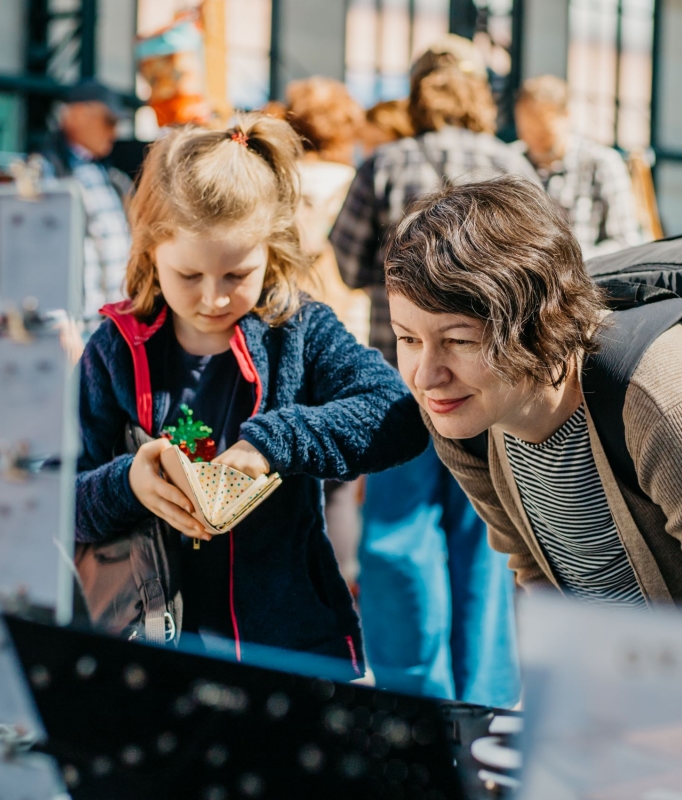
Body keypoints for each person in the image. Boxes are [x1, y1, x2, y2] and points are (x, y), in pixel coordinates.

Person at [75, 114, 428, 673]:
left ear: (273, 252)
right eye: (188, 276)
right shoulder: (114, 350)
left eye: (237, 275)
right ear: (149, 253)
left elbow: (397, 414)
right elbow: (58, 501)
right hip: (147, 648)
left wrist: (274, 443)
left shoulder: (301, 330)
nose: (213, 298)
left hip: (289, 647)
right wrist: (129, 484)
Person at [385, 175, 682, 612]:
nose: (426, 377)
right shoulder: (456, 414)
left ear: (537, 322)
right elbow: (532, 569)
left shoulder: (667, 407)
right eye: (407, 339)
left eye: (459, 341)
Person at [331, 35, 535, 707]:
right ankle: (485, 705)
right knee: (486, 543)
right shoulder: (512, 168)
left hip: (406, 380)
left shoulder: (386, 163)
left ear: (415, 93)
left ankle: (417, 706)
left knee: (398, 538)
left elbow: (354, 264)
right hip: (493, 385)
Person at [283, 76, 369, 588]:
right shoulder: (355, 180)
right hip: (348, 330)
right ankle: (339, 587)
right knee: (339, 477)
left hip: (287, 329)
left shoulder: (280, 181)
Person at [513, 74, 643, 258]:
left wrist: (570, 263)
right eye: (526, 131)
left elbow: (627, 242)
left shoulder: (602, 163)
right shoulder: (510, 161)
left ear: (567, 116)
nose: (533, 140)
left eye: (544, 133)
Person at [36, 80, 133, 325]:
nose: (114, 132)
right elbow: (43, 254)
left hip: (111, 323)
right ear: (78, 116)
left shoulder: (106, 173)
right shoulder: (45, 172)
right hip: (75, 326)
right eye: (109, 121)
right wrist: (59, 320)